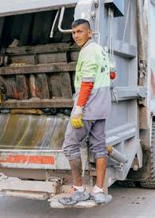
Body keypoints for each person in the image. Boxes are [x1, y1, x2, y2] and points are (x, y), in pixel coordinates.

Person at [59, 19, 112, 205]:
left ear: (90, 33)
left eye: (80, 31)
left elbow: (88, 82)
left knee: (70, 146)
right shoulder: (101, 50)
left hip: (88, 108)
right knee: (99, 147)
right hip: (102, 107)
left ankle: (79, 189)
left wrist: (78, 109)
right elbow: (112, 73)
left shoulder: (88, 52)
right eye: (73, 32)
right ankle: (98, 191)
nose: (76, 36)